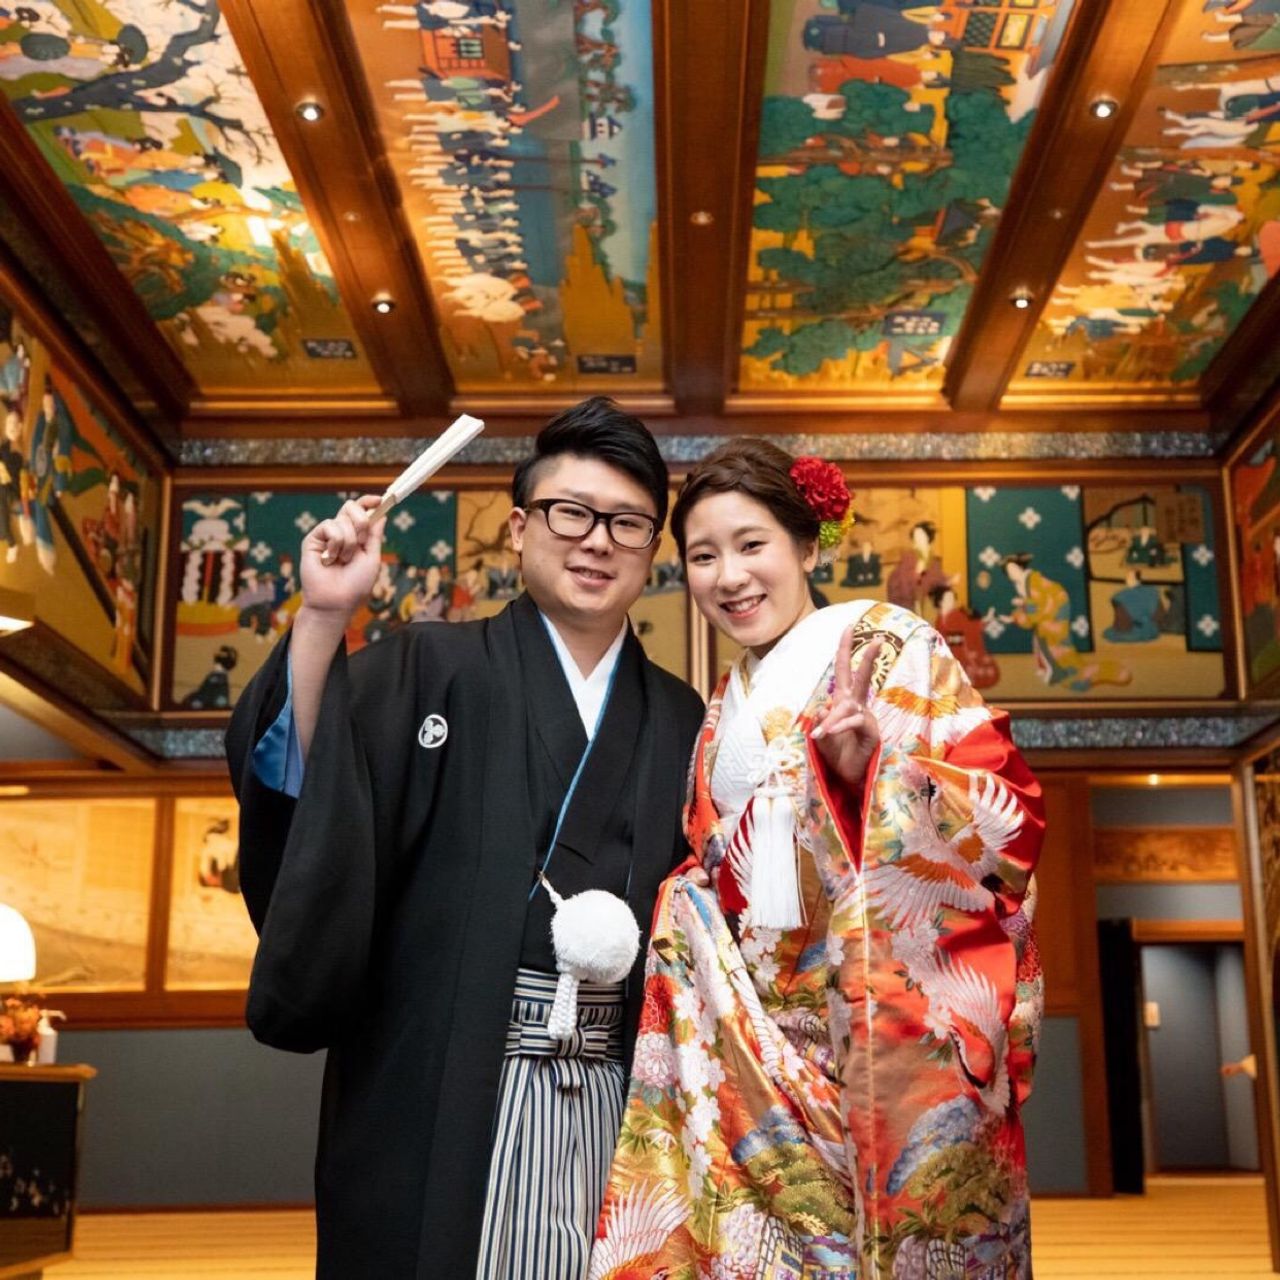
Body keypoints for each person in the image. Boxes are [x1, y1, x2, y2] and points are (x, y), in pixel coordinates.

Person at [226, 398, 704, 1279]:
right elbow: (316, 799)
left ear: (652, 551)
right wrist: (324, 616)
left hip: (625, 1098)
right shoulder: (424, 669)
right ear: (520, 529)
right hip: (438, 1080)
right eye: (571, 513)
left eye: (628, 524)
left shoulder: (680, 716)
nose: (597, 541)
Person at [591, 439, 1045, 1279]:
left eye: (751, 544)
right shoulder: (722, 702)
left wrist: (875, 775)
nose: (729, 576)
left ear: (807, 545)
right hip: (748, 1049)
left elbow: (1003, 823)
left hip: (871, 1037)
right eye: (703, 556)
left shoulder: (891, 644)